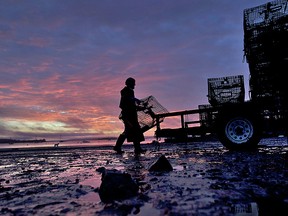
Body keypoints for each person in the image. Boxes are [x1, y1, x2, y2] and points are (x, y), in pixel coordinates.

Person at [113, 77, 146, 154]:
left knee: (135, 131)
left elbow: (131, 102)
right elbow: (128, 102)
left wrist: (136, 103)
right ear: (129, 84)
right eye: (133, 83)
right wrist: (136, 102)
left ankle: (137, 148)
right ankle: (117, 147)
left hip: (131, 115)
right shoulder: (125, 91)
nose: (135, 85)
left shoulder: (129, 91)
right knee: (129, 131)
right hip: (128, 116)